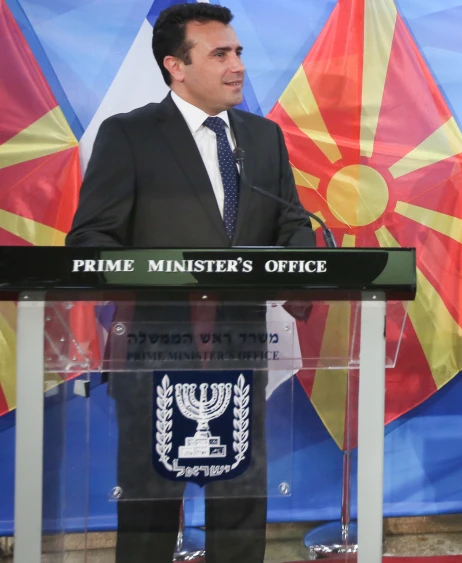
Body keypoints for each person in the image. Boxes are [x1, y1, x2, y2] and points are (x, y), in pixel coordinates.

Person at [66, 4, 315, 562]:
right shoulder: (129, 135)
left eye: (239, 52)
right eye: (220, 54)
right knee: (151, 504)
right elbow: (90, 240)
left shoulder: (263, 136)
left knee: (241, 501)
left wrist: (309, 264)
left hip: (241, 344)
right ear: (176, 66)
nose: (237, 67)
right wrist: (162, 271)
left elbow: (292, 223)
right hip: (156, 345)